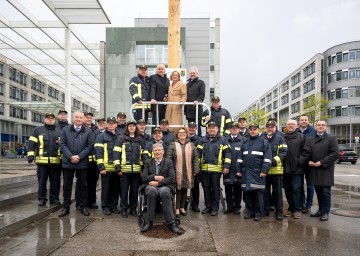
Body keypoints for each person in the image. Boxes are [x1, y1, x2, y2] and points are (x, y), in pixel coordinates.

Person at [58, 111, 94, 217]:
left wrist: (79, 156)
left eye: (80, 117)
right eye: (76, 117)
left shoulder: (88, 131)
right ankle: (66, 207)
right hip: (68, 162)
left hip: (82, 162)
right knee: (67, 186)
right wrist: (71, 156)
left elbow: (90, 146)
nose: (78, 119)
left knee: (82, 185)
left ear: (83, 119)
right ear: (73, 118)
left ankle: (82, 206)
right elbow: (62, 144)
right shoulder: (65, 130)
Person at [140, 143, 181, 234]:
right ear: (153, 152)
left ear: (163, 152)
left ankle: (171, 223)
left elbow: (172, 178)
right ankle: (149, 222)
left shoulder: (168, 162)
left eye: (159, 150)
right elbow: (144, 178)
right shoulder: (148, 162)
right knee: (151, 191)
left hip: (164, 186)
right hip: (150, 186)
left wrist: (158, 183)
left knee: (164, 192)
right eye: (155, 150)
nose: (157, 152)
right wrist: (155, 177)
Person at [237, 123, 272, 221]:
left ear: (258, 130)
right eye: (251, 129)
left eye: (254, 129)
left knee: (258, 195)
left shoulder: (264, 142)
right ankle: (250, 212)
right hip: (246, 173)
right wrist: (239, 170)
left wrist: (264, 170)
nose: (252, 131)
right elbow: (240, 158)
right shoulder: (245, 143)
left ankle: (259, 213)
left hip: (258, 173)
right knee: (248, 194)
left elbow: (268, 158)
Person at [197, 121, 231, 216]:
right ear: (207, 129)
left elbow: (228, 154)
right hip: (204, 170)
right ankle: (208, 206)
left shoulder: (223, 140)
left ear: (217, 129)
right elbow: (198, 154)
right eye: (210, 127)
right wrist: (197, 167)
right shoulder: (203, 140)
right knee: (206, 188)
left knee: (215, 189)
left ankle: (215, 208)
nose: (212, 129)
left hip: (216, 170)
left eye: (214, 127)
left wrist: (226, 166)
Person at [27, 112, 62, 206]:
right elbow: (31, 144)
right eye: (48, 118)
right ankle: (42, 199)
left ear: (55, 120)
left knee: (55, 182)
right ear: (45, 119)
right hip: (42, 163)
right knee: (42, 182)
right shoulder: (37, 130)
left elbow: (63, 146)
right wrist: (30, 156)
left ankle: (54, 199)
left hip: (56, 162)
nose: (50, 119)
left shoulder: (59, 131)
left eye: (52, 118)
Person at [308, 120, 339, 221]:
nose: (320, 126)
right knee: (318, 191)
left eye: (323, 125)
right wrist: (308, 161)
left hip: (326, 169)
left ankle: (326, 212)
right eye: (318, 125)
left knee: (325, 192)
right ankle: (321, 210)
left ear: (326, 127)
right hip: (314, 169)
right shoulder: (310, 139)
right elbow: (307, 152)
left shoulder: (331, 138)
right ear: (315, 126)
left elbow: (335, 154)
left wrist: (321, 162)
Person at [166, 127, 199, 217]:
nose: (182, 134)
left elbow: (195, 158)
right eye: (180, 133)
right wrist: (170, 171)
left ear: (186, 134)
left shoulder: (191, 145)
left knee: (185, 190)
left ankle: (182, 208)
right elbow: (169, 159)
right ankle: (176, 209)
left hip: (188, 171)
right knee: (177, 190)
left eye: (183, 132)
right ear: (177, 134)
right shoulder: (172, 145)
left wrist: (196, 170)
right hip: (176, 172)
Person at [113, 120, 143, 218]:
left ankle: (133, 208)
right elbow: (116, 154)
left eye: (133, 126)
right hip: (124, 171)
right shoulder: (121, 139)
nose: (131, 128)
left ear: (136, 128)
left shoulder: (139, 139)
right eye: (130, 126)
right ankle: (124, 209)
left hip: (136, 171)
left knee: (134, 191)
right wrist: (118, 168)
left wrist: (142, 169)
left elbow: (142, 156)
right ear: (127, 128)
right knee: (124, 191)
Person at [283, 119, 311, 219]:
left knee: (296, 189)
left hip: (297, 169)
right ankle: (291, 208)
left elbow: (307, 152)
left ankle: (297, 209)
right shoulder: (282, 137)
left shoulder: (302, 137)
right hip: (285, 169)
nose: (290, 125)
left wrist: (299, 161)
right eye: (289, 124)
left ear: (296, 126)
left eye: (293, 124)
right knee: (287, 189)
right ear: (286, 126)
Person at [260, 120, 288, 220]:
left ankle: (279, 212)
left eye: (272, 127)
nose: (270, 129)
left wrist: (271, 162)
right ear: (265, 128)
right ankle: (265, 210)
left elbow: (283, 153)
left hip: (276, 171)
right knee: (265, 192)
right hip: (265, 172)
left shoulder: (280, 138)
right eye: (268, 127)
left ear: (275, 128)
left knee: (278, 193)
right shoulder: (261, 138)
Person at [94, 116, 121, 215]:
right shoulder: (101, 136)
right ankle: (105, 207)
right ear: (107, 124)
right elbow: (98, 153)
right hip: (106, 168)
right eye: (109, 123)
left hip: (117, 168)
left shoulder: (120, 136)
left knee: (115, 189)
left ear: (116, 124)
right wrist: (101, 167)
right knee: (106, 188)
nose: (111, 125)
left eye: (113, 123)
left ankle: (113, 206)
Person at [297, 115, 316, 214]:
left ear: (308, 121)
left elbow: (315, 148)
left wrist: (311, 160)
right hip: (299, 163)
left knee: (310, 185)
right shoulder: (296, 131)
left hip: (310, 163)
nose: (304, 121)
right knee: (299, 185)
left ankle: (308, 205)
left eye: (305, 120)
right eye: (302, 120)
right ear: (299, 121)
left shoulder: (313, 131)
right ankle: (301, 204)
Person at [223, 122, 244, 215]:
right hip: (227, 169)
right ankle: (230, 207)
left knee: (237, 190)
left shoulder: (244, 140)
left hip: (237, 169)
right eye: (233, 128)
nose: (234, 129)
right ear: (230, 130)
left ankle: (237, 207)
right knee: (227, 189)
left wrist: (241, 169)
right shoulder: (224, 140)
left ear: (239, 130)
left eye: (236, 128)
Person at [83, 112, 99, 209]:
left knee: (93, 183)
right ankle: (83, 202)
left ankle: (92, 201)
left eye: (90, 118)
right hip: (83, 161)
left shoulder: (96, 129)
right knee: (82, 183)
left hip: (94, 162)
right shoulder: (80, 129)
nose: (89, 119)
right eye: (87, 117)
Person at [185, 67, 205, 136]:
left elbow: (202, 95)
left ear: (197, 74)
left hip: (197, 109)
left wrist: (198, 101)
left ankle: (199, 141)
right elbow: (186, 97)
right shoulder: (187, 84)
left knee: (197, 127)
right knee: (190, 127)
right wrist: (185, 110)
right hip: (189, 110)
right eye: (191, 73)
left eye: (194, 73)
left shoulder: (201, 83)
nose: (192, 74)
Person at [188, 122, 202, 212]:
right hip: (184, 166)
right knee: (183, 187)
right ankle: (183, 205)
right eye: (190, 127)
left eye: (193, 128)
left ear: (196, 129)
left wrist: (197, 168)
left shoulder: (200, 140)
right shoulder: (183, 138)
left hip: (194, 167)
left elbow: (199, 155)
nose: (191, 129)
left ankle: (195, 205)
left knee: (195, 188)